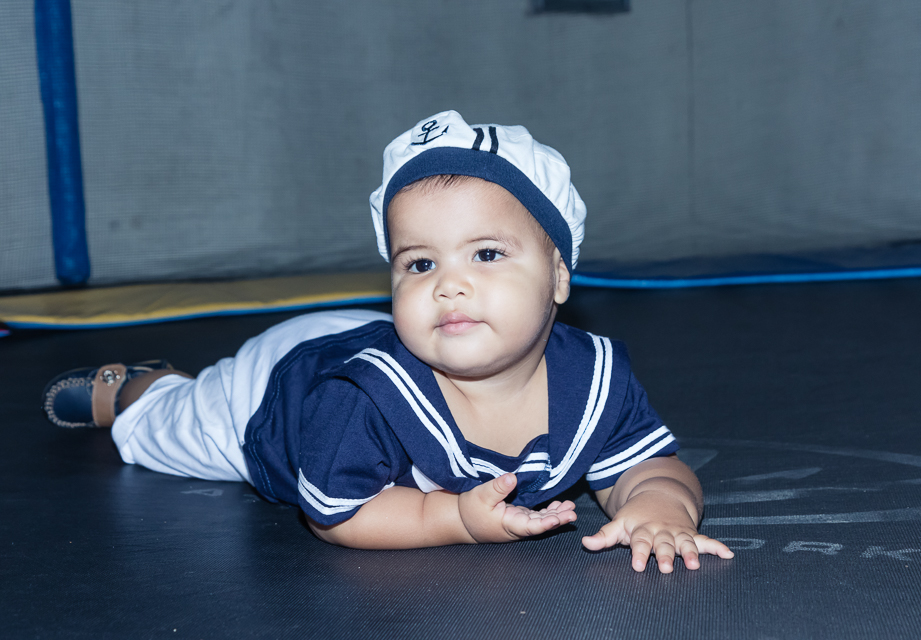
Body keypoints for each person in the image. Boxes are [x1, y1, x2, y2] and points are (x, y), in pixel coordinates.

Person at [42, 111, 733, 573]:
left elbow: (650, 466)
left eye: (487, 254)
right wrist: (453, 519)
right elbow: (339, 514)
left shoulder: (596, 380)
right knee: (168, 428)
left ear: (558, 274)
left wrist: (657, 511)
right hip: (281, 387)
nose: (448, 286)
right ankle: (136, 386)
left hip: (363, 340)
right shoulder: (361, 400)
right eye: (420, 264)